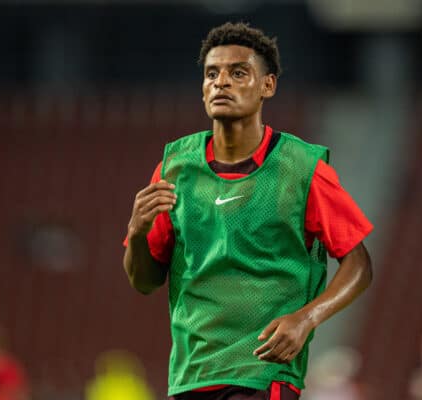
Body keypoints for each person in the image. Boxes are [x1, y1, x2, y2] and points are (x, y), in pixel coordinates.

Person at [123, 22, 373, 400]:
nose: (221, 82)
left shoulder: (301, 169)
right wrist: (138, 231)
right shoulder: (175, 168)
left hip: (262, 372)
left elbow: (359, 264)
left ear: (267, 86)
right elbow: (144, 281)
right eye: (212, 74)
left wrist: (305, 319)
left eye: (238, 73)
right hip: (191, 375)